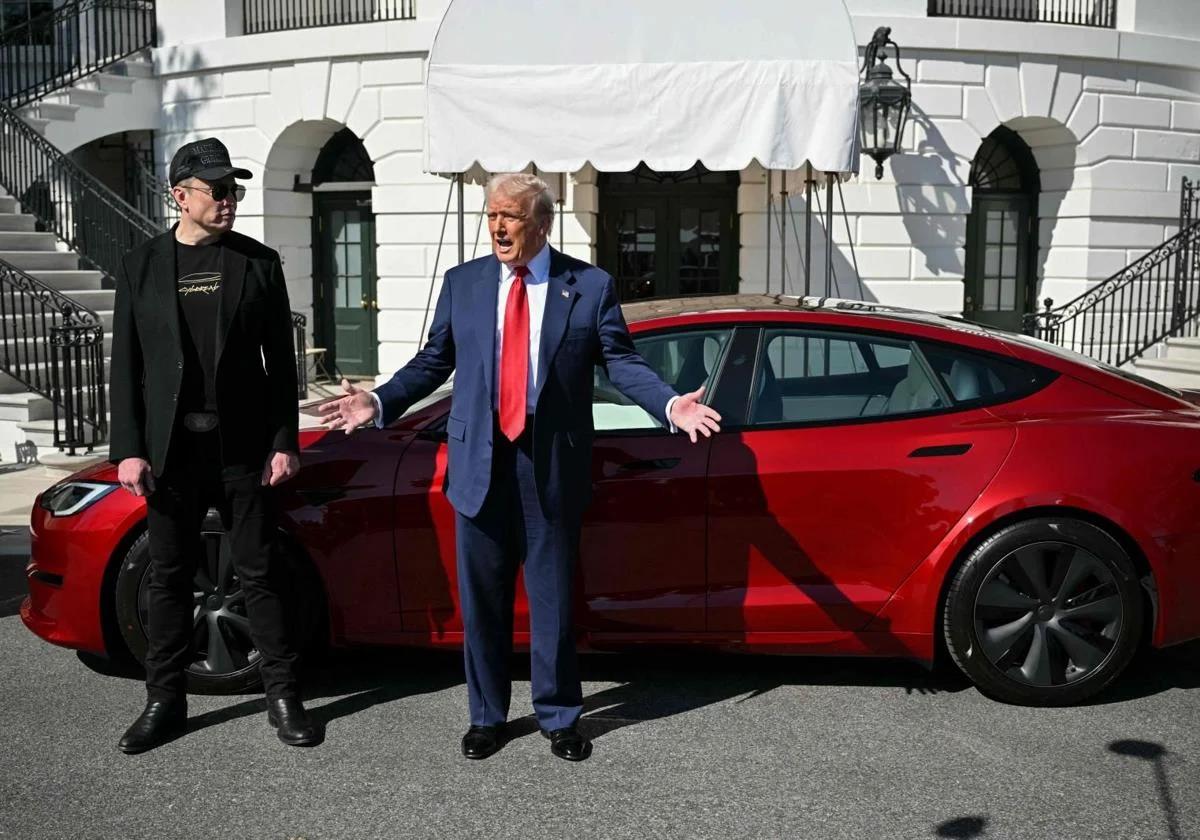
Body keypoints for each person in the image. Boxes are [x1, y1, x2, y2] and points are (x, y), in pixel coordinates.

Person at [320, 173, 720, 761]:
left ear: (542, 223)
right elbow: (433, 361)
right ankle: (487, 716)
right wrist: (379, 400)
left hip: (549, 462)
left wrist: (667, 402)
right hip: (480, 461)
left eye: (510, 217)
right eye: (491, 216)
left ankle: (559, 716)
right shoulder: (465, 284)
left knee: (552, 598)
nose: (498, 228)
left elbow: (620, 361)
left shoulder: (587, 285)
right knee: (482, 599)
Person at [108, 137, 317, 753]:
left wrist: (285, 440)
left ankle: (283, 696)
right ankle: (163, 700)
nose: (230, 200)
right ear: (180, 195)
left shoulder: (258, 262)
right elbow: (128, 366)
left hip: (244, 449)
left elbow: (282, 364)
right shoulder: (141, 265)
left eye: (235, 190)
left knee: (260, 572)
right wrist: (129, 447)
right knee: (169, 577)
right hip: (170, 453)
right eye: (218, 190)